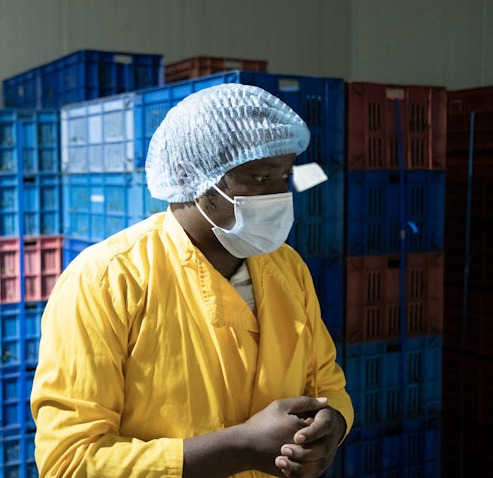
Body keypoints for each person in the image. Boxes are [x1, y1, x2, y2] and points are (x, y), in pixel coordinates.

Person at [30, 83, 353, 478]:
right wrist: (240, 446)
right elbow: (71, 462)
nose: (278, 194)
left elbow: (326, 381)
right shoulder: (107, 280)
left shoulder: (286, 268)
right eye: (259, 177)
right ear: (193, 176)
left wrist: (332, 425)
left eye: (284, 176)